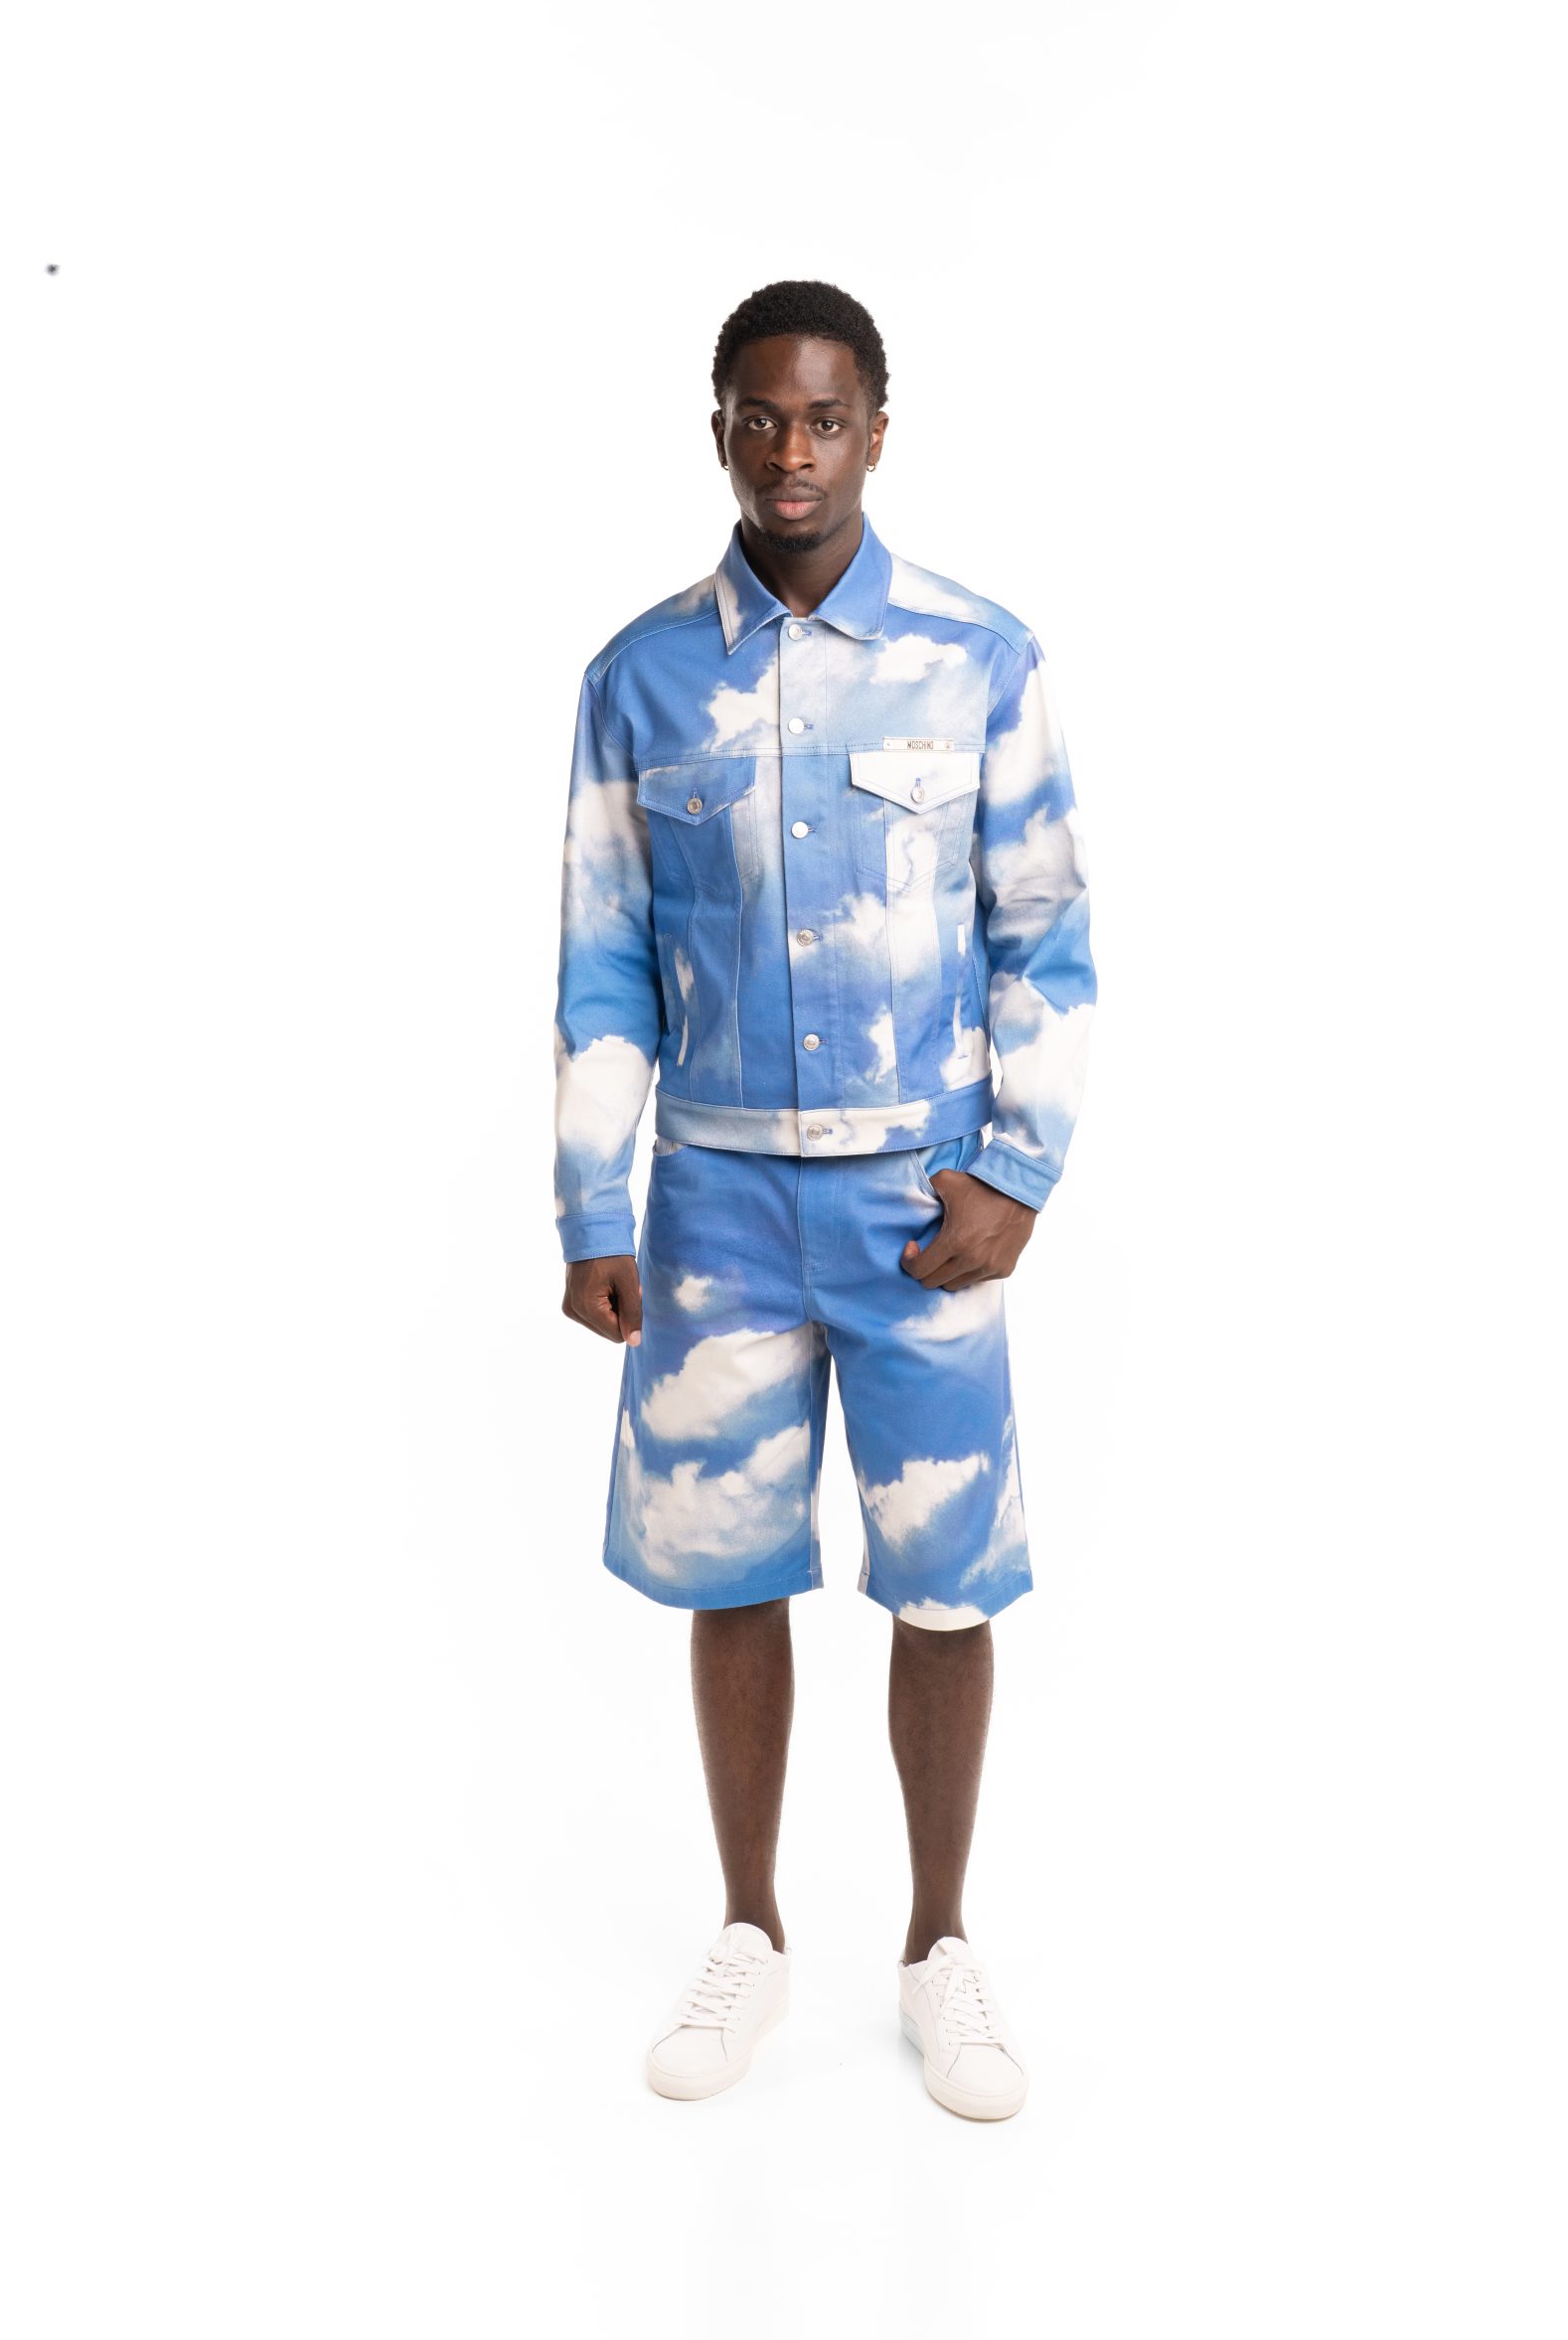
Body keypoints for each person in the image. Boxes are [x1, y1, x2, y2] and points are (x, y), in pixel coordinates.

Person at [553, 279, 1094, 2120]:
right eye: (761, 417)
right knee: (733, 1569)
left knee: (943, 1585)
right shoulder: (637, 679)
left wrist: (1017, 1172)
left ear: (877, 429)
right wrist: (593, 1202)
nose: (793, 452)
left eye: (826, 418)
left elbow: (1046, 928)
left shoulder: (978, 657)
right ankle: (751, 1932)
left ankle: (941, 1947)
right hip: (710, 1202)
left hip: (916, 1206)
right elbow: (603, 951)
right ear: (717, 427)